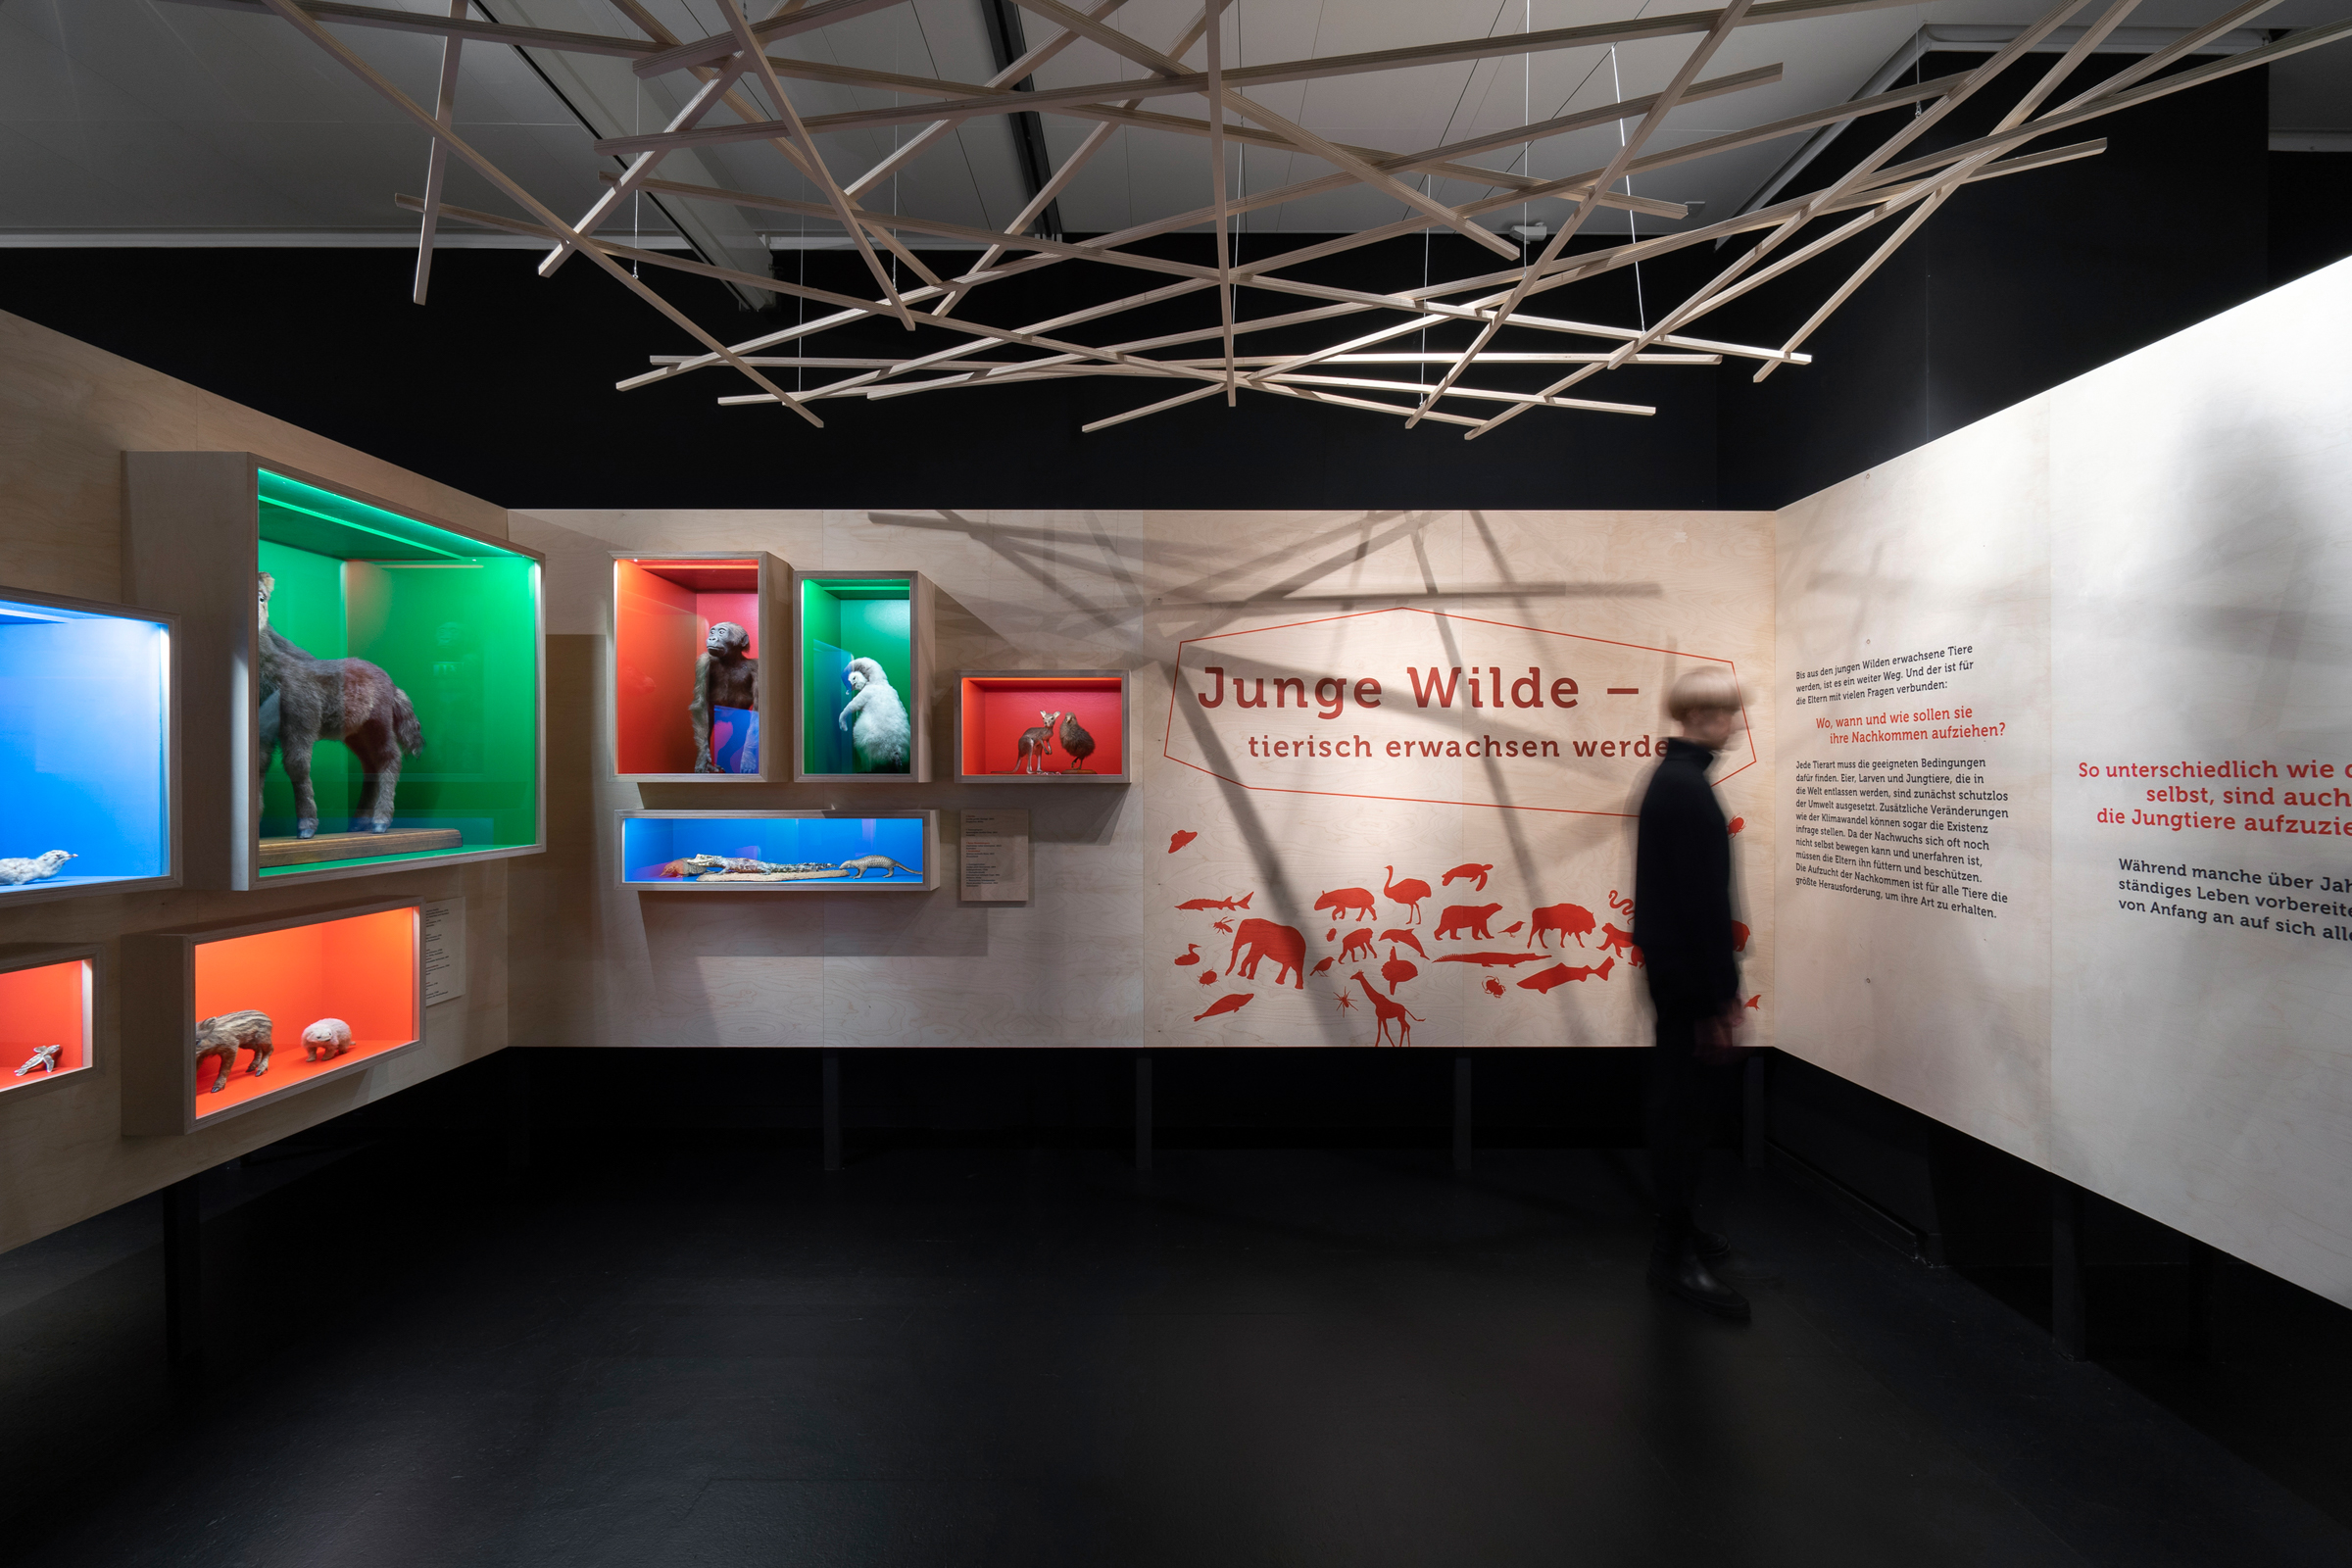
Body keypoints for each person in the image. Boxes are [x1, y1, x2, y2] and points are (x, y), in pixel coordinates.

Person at [1633, 666, 1751, 1320]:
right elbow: (1701, 906)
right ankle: (1672, 1256)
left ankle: (1679, 1233)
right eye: (1730, 711)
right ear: (1705, 714)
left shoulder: (1674, 780)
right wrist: (1717, 999)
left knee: (1681, 1107)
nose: (1737, 724)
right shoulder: (1684, 788)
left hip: (1678, 975)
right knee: (1683, 1114)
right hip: (1687, 981)